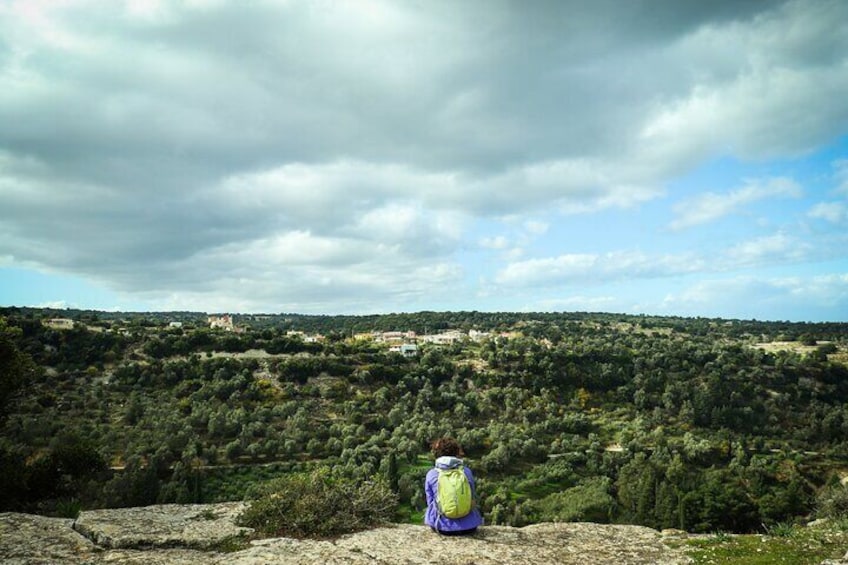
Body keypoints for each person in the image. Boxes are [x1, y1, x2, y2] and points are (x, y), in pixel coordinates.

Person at [424, 437, 483, 535]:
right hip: (469, 527)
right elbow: (472, 497)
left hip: (441, 527)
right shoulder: (466, 472)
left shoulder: (432, 474)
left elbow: (430, 502)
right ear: (456, 453)